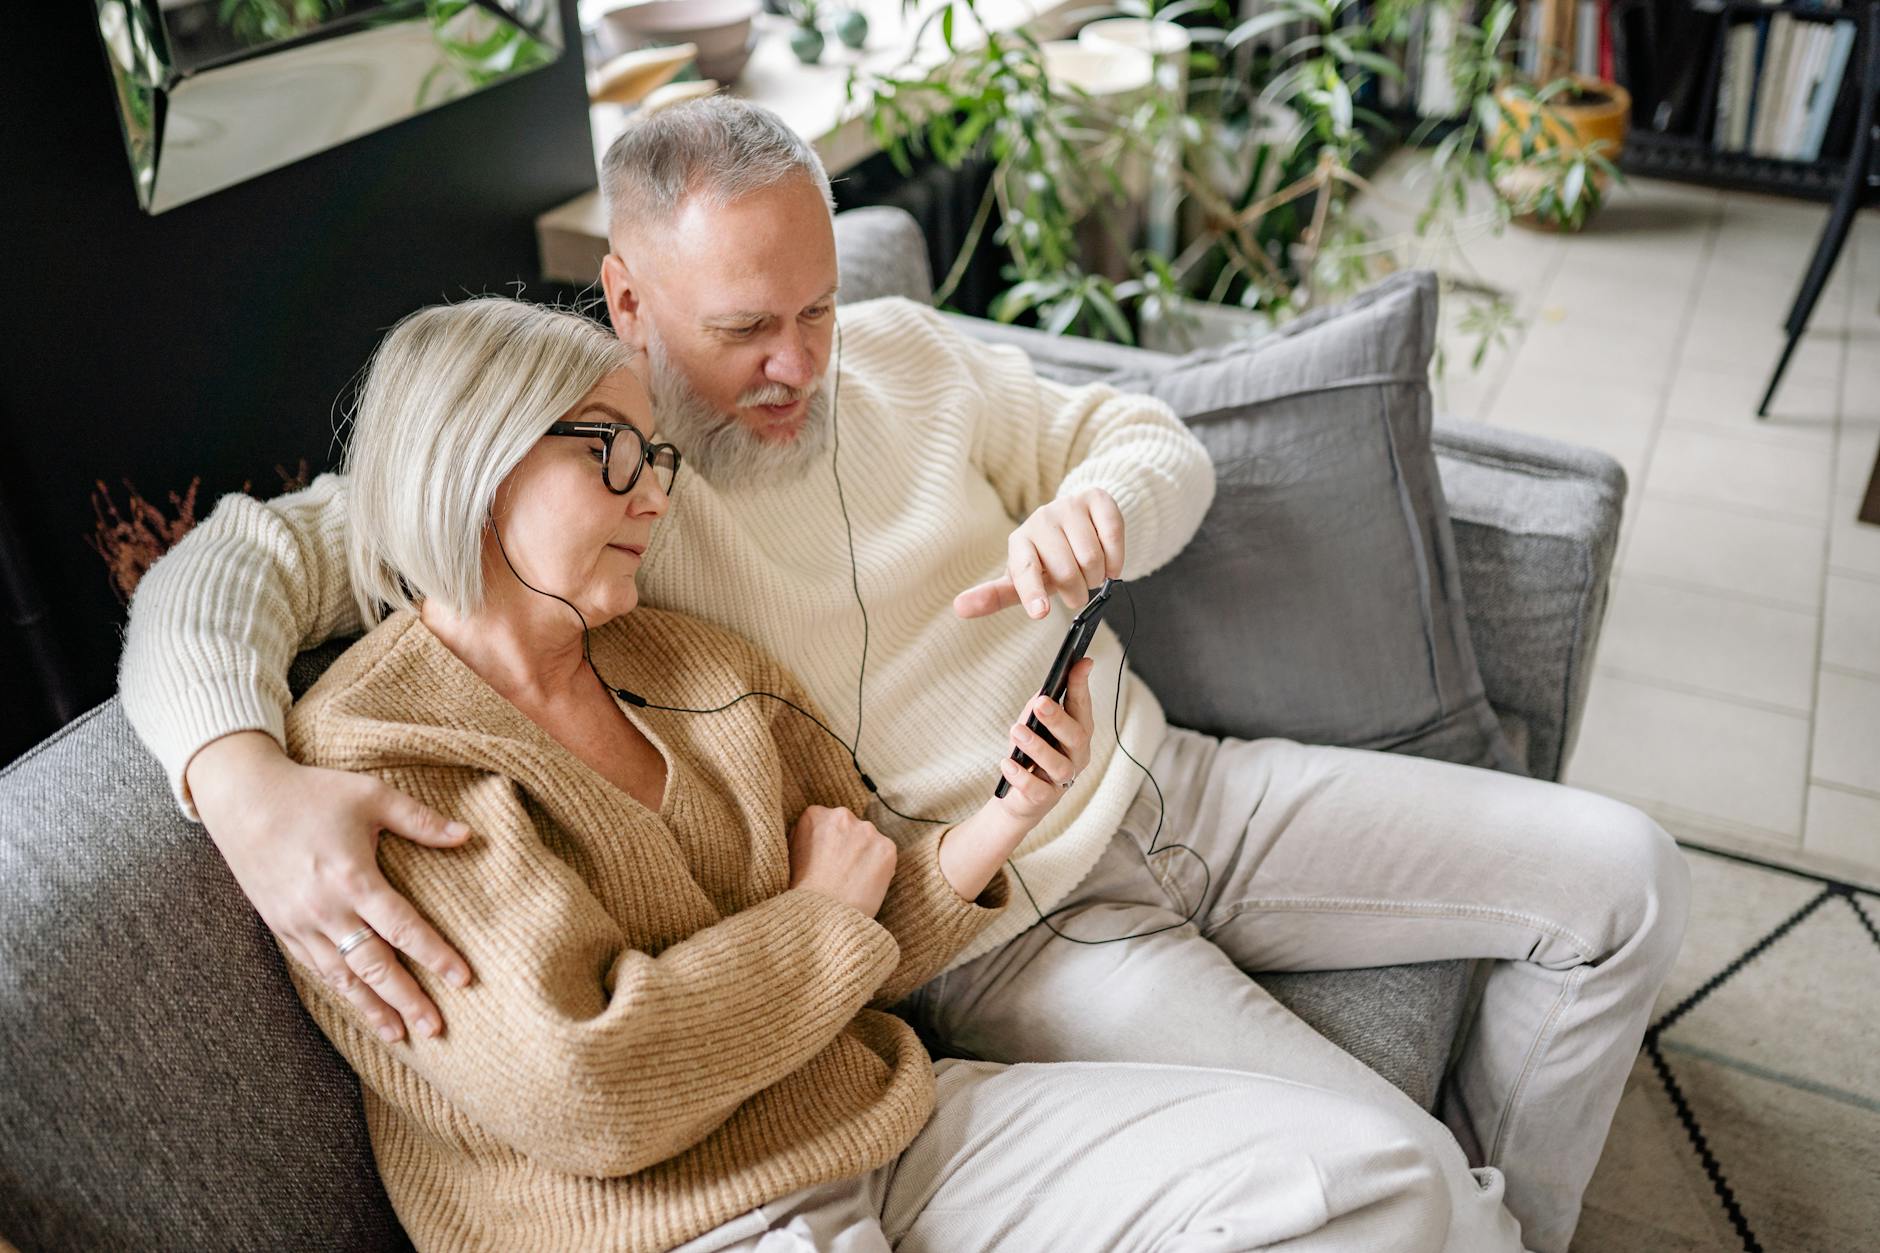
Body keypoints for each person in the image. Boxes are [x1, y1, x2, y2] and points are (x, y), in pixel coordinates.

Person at [121, 98, 1686, 1253]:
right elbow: (248, 561)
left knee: (1623, 879)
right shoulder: (585, 500)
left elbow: (1144, 443)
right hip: (1011, 933)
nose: (801, 364)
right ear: (626, 298)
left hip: (1170, 776)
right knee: (1389, 1169)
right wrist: (237, 778)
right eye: (747, 329)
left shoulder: (904, 359)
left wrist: (1105, 511)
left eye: (816, 307)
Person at [280, 293, 1524, 1251]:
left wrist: (998, 820)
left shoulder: (692, 661)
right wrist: (814, 914)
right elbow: (593, 1084)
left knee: (1384, 1171)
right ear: (474, 460)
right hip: (677, 1226)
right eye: (611, 452)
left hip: (880, 1117)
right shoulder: (384, 758)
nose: (652, 496)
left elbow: (869, 890)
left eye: (656, 461)